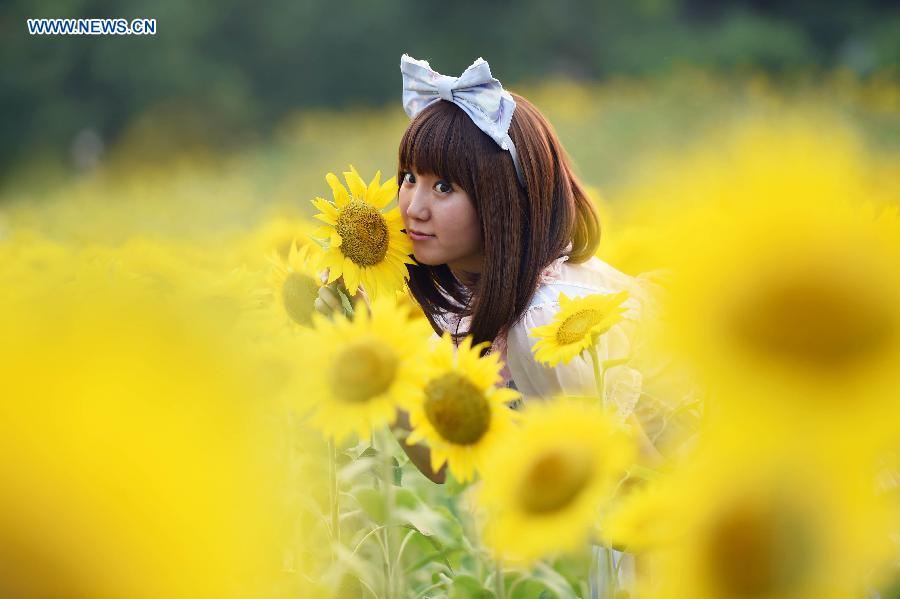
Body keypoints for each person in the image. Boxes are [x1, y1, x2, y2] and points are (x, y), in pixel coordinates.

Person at [317, 54, 695, 597]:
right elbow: (439, 458)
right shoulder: (487, 306)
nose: (412, 208)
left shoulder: (547, 323)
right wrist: (368, 349)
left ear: (503, 201)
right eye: (409, 179)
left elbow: (654, 511)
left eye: (444, 187)